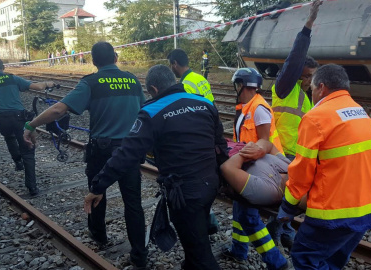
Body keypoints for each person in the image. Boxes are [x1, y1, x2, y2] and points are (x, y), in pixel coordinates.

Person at [83, 64, 227, 270]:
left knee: (201, 254)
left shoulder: (152, 112)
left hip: (184, 193)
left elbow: (126, 154)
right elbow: (220, 146)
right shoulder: (204, 103)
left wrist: (98, 186)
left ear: (153, 90)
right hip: (210, 184)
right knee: (195, 238)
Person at [22, 42, 148, 268]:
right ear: (116, 57)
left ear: (93, 61)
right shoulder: (132, 80)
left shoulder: (90, 82)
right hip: (129, 150)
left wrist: (31, 125)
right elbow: (144, 111)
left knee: (97, 193)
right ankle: (140, 255)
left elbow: (59, 109)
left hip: (102, 150)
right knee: (133, 203)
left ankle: (99, 236)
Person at [277, 64, 371, 269]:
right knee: (331, 262)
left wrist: (288, 206)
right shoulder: (360, 113)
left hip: (333, 214)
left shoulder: (316, 117)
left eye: (312, 89)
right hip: (365, 209)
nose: (312, 93)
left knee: (304, 257)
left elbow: (301, 171)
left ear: (321, 88)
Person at [222, 67, 288, 270]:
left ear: (242, 85)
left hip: (262, 171)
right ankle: (238, 250)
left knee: (247, 217)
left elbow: (264, 142)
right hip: (248, 166)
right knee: (239, 209)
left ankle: (276, 261)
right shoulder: (247, 106)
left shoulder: (258, 108)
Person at [268, 0, 321, 251]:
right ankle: (280, 229)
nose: (309, 80)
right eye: (307, 75)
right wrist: (308, 24)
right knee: (288, 195)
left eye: (312, 76)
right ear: (297, 72)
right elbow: (294, 58)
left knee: (291, 196)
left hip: (299, 154)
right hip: (283, 151)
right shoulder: (285, 86)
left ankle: (281, 227)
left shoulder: (306, 95)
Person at [0, 57, 55, 196]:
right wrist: (48, 83)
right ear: (3, 67)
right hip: (17, 118)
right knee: (28, 150)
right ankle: (32, 187)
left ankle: (17, 162)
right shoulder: (12, 79)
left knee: (9, 136)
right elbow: (38, 87)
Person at [221, 139, 290, 206]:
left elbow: (227, 168)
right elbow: (268, 144)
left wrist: (247, 152)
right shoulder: (290, 167)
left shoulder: (268, 192)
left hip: (218, 153)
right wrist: (260, 149)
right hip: (226, 144)